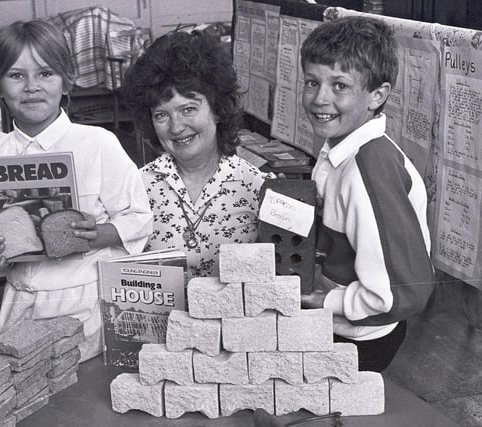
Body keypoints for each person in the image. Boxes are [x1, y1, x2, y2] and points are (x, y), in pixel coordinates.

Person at [0, 19, 153, 362]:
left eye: (46, 73)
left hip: (89, 302)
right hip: (22, 305)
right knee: (30, 397)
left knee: (85, 401)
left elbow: (139, 218)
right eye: (17, 75)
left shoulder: (98, 143)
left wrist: (97, 234)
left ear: (67, 80)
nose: (32, 87)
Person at [298, 16, 434, 372]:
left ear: (377, 96)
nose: (320, 98)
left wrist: (327, 301)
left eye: (339, 86)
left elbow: (400, 291)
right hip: (338, 322)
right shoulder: (339, 150)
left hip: (358, 338)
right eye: (312, 82)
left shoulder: (367, 170)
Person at [121, 30, 273, 279]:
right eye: (162, 115)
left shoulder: (257, 187)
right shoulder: (135, 187)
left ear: (218, 110)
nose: (176, 127)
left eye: (188, 109)